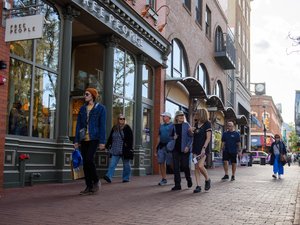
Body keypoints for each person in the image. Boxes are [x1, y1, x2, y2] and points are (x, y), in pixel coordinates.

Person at [74, 87, 106, 195]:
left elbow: (102, 126)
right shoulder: (82, 109)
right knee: (85, 163)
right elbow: (78, 125)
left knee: (88, 159)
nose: (85, 96)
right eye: (85, 94)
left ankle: (96, 180)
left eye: (87, 94)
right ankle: (88, 186)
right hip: (84, 139)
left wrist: (102, 141)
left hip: (94, 138)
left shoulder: (100, 108)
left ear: (92, 95)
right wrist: (76, 140)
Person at [103, 114, 133, 183]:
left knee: (126, 165)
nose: (122, 120)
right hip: (115, 149)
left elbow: (130, 139)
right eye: (120, 118)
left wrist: (129, 148)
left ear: (125, 120)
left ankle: (126, 178)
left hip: (124, 150)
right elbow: (110, 138)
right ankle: (109, 177)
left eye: (123, 119)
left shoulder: (127, 128)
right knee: (112, 164)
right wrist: (106, 146)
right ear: (118, 119)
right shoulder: (114, 128)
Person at [170, 110, 193, 191]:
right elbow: (170, 137)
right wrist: (173, 137)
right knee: (176, 168)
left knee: (185, 166)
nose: (182, 117)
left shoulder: (187, 125)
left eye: (183, 116)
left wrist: (188, 146)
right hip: (175, 149)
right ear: (176, 117)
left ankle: (188, 179)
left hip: (185, 150)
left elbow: (191, 137)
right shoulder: (173, 126)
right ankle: (177, 185)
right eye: (180, 116)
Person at [191, 108, 212, 193]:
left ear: (201, 114)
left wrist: (204, 148)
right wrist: (191, 131)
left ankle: (207, 179)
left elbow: (208, 138)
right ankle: (198, 186)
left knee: (200, 166)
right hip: (195, 148)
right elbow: (194, 135)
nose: (195, 115)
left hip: (203, 149)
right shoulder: (196, 124)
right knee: (196, 167)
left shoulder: (207, 124)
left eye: (197, 114)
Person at [155, 112, 173, 186]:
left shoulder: (173, 125)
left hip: (169, 147)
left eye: (164, 116)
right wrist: (156, 147)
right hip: (161, 147)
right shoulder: (161, 126)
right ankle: (164, 179)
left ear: (168, 117)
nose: (163, 118)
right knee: (161, 162)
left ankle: (177, 177)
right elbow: (159, 137)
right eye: (162, 116)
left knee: (171, 163)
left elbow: (175, 136)